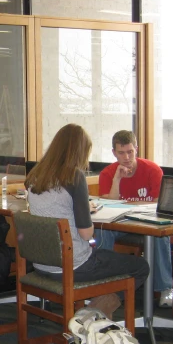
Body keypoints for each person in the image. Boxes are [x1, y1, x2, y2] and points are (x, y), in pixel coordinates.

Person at [25, 124, 149, 319]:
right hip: (73, 266)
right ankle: (91, 315)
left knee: (105, 256)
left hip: (41, 263)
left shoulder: (35, 176)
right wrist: (84, 213)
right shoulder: (74, 176)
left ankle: (93, 308)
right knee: (140, 266)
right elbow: (86, 234)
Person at [96, 130, 173, 308]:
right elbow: (107, 206)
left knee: (160, 233)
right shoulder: (108, 173)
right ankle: (101, 284)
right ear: (114, 153)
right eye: (121, 153)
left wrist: (129, 204)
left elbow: (157, 202)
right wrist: (117, 180)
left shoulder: (152, 169)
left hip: (145, 220)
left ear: (136, 149)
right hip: (119, 223)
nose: (126, 157)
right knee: (101, 231)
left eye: (130, 152)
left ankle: (165, 287)